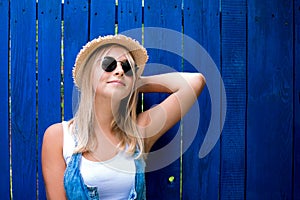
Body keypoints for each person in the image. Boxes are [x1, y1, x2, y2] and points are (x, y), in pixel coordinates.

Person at [41, 34, 206, 200]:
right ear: (89, 75)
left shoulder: (138, 132)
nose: (119, 71)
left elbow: (195, 82)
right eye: (109, 64)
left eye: (127, 68)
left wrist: (136, 82)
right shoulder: (59, 137)